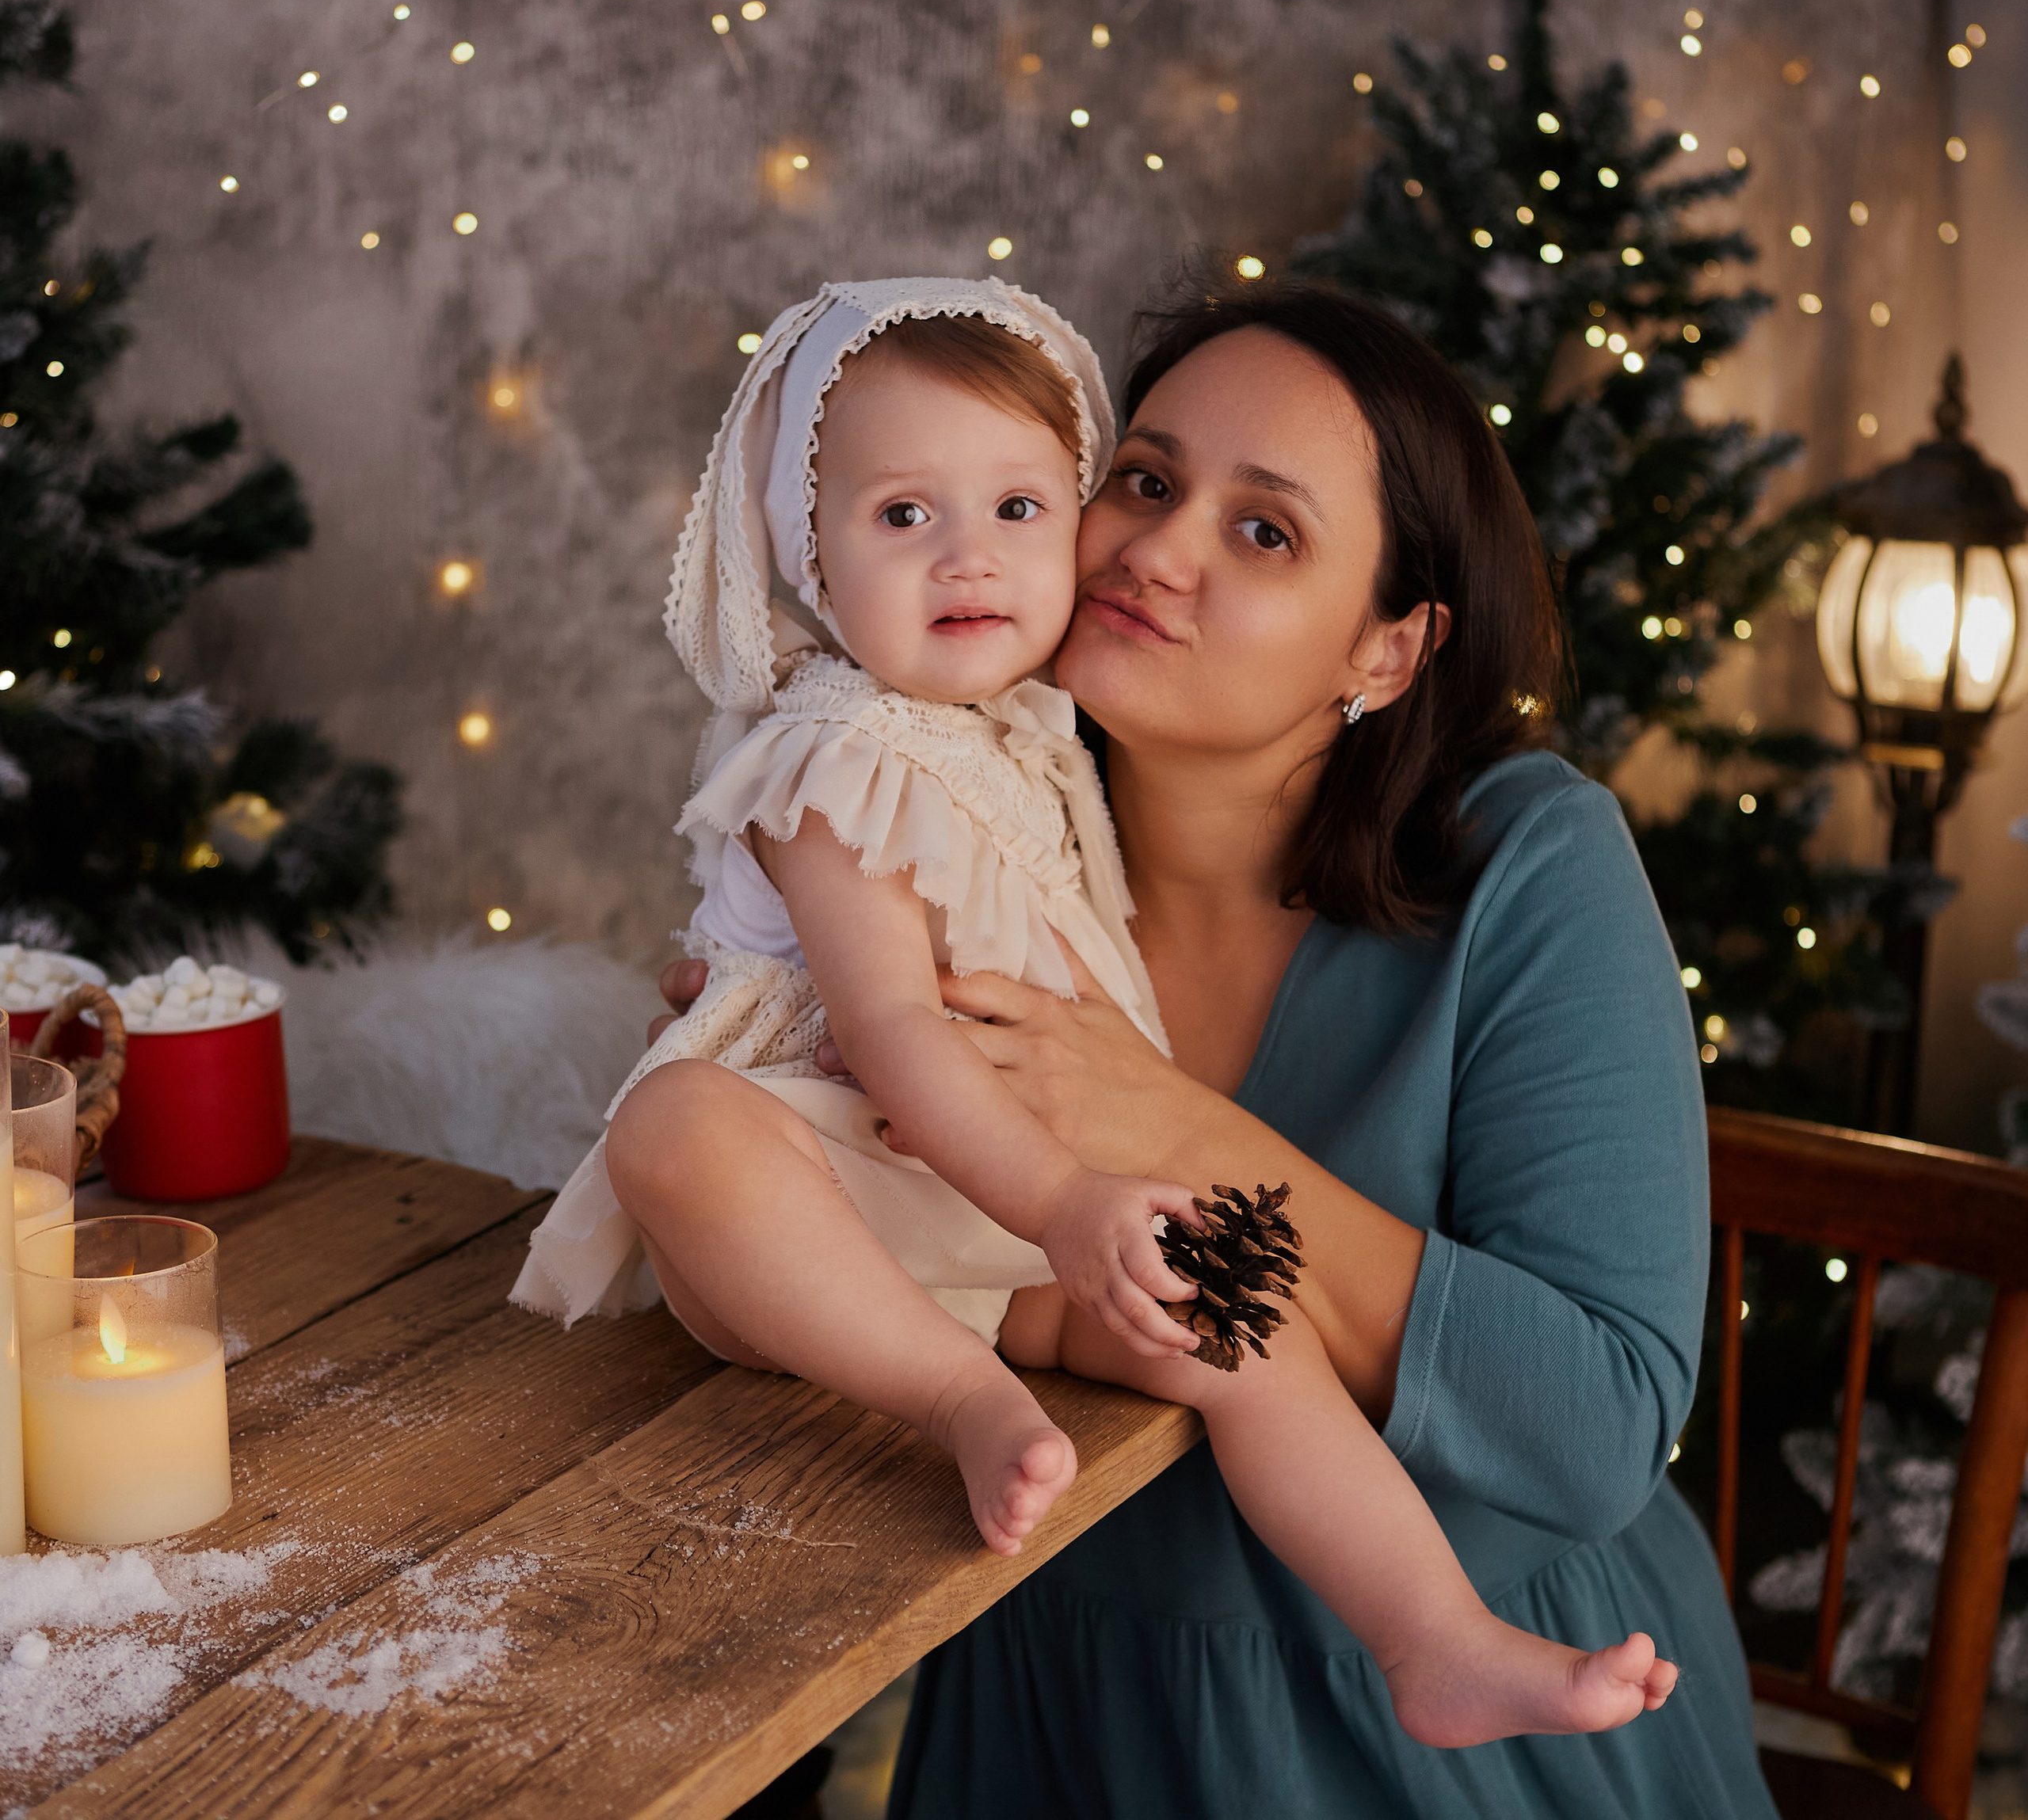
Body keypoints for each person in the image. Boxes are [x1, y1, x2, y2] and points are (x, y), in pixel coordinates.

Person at [650, 276, 1778, 1817]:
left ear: (1386, 650)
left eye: (1262, 531)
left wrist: (1171, 1123)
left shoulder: (1527, 860)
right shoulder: (974, 806)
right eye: (1143, 480)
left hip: (1448, 1733)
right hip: (1054, 1687)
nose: (1158, 549)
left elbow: (1593, 1429)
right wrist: (779, 1083)